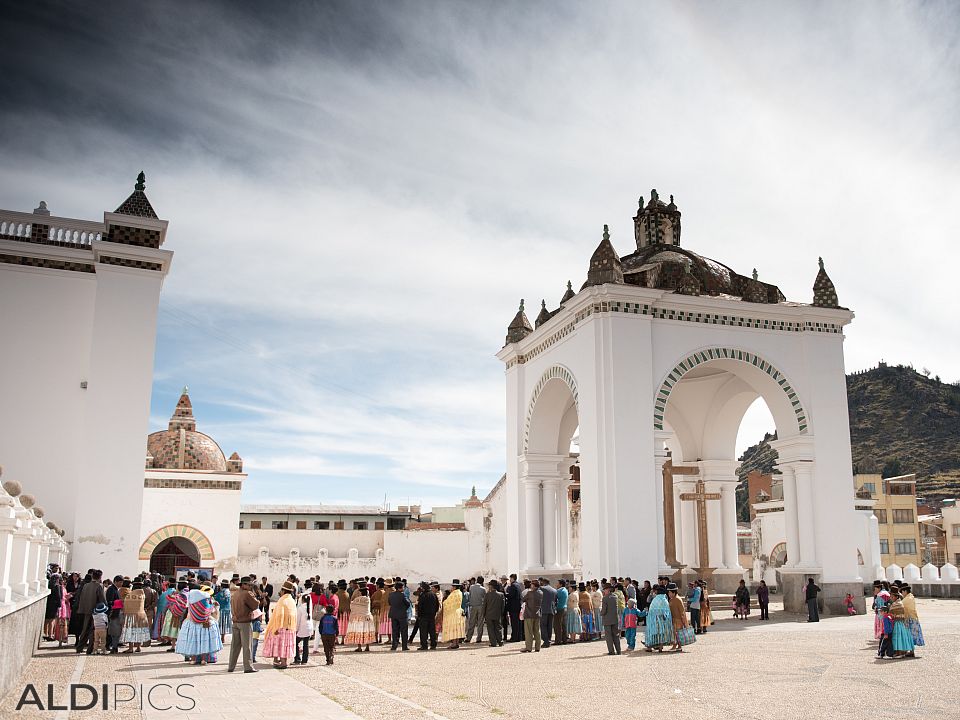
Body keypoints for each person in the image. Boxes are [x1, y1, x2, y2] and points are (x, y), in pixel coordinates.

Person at [177, 588, 223, 665]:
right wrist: (216, 608)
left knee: (193, 642)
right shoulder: (206, 602)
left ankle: (193, 659)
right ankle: (204, 660)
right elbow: (212, 611)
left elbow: (189, 614)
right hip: (205, 624)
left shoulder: (191, 604)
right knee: (204, 642)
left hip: (192, 624)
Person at [262, 580, 298, 668]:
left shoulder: (282, 600)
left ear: (283, 590)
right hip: (290, 626)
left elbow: (280, 614)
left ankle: (283, 663)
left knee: (281, 645)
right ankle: (281, 661)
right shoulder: (292, 600)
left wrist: (277, 627)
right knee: (286, 645)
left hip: (281, 626)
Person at [228, 577, 259, 673]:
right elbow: (256, 605)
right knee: (247, 646)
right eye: (249, 585)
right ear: (243, 585)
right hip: (245, 622)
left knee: (235, 646)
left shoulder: (235, 593)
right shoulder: (247, 594)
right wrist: (254, 595)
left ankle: (231, 666)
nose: (250, 587)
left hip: (235, 622)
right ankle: (248, 667)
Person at [75, 570, 106, 654]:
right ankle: (90, 649)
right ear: (100, 577)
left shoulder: (86, 585)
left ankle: (79, 647)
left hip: (86, 610)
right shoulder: (99, 586)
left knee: (85, 629)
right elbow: (102, 599)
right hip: (95, 611)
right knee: (93, 630)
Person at [120, 580, 151, 653]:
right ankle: (138, 647)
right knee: (139, 631)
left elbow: (125, 605)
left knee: (131, 631)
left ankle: (130, 648)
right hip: (141, 615)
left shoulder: (130, 595)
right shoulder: (142, 595)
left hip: (131, 615)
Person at [643, 585, 673, 652]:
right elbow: (667, 611)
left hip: (654, 619)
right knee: (661, 633)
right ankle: (660, 647)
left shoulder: (655, 600)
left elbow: (651, 610)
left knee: (653, 632)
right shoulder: (665, 600)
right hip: (662, 619)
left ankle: (649, 647)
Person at [346, 586, 375, 652]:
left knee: (358, 631)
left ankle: (359, 647)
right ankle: (367, 646)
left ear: (360, 593)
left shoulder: (357, 599)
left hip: (358, 618)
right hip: (367, 617)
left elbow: (352, 606)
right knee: (367, 631)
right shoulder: (368, 599)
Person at [888, 590, 914, 658]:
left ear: (896, 596)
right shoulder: (900, 602)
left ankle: (899, 653)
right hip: (902, 622)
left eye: (892, 597)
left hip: (897, 622)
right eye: (890, 596)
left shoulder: (895, 604)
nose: (891, 598)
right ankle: (902, 652)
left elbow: (891, 613)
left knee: (897, 638)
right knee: (902, 637)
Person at [443, 580, 467, 649]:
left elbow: (447, 603)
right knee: (457, 629)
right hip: (459, 612)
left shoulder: (453, 594)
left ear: (454, 587)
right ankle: (456, 643)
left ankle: (454, 643)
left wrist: (444, 602)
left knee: (453, 628)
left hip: (453, 613)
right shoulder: (460, 592)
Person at [416, 581, 440, 650]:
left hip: (423, 616)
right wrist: (434, 613)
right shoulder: (433, 594)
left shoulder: (422, 595)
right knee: (432, 631)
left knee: (423, 632)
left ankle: (424, 645)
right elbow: (437, 605)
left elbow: (420, 606)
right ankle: (433, 645)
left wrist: (419, 615)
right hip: (431, 616)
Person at [900, 585, 923, 656]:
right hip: (914, 618)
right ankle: (911, 651)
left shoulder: (906, 600)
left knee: (908, 635)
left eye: (902, 592)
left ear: (905, 591)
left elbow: (901, 606)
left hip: (909, 619)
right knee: (911, 635)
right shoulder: (911, 597)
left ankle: (908, 650)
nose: (902, 594)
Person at [388, 580, 411, 651]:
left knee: (395, 631)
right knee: (404, 631)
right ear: (400, 588)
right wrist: (403, 609)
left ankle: (394, 646)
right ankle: (404, 646)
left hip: (393, 614)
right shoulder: (402, 595)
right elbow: (408, 604)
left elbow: (389, 603)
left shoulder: (391, 594)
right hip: (402, 615)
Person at [521, 579, 543, 653]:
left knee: (528, 632)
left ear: (533, 585)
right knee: (537, 631)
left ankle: (529, 647)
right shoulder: (541, 593)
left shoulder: (530, 593)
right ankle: (537, 647)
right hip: (537, 614)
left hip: (529, 614)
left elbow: (523, 599)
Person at [481, 579, 505, 647]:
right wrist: (501, 613)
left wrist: (483, 614)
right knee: (498, 628)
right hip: (497, 614)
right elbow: (503, 606)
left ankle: (493, 643)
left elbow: (484, 606)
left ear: (491, 586)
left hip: (489, 615)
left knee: (490, 629)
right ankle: (500, 641)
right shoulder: (501, 595)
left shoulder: (487, 595)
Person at [465, 575, 486, 644]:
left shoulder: (471, 587)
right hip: (480, 606)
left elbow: (470, 596)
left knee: (471, 622)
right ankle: (478, 638)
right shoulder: (483, 589)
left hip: (473, 606)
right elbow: (484, 598)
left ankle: (468, 637)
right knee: (480, 623)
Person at [600, 584, 621, 655]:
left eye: (605, 590)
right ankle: (618, 651)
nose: (604, 591)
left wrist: (601, 613)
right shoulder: (615, 597)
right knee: (616, 635)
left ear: (608, 590)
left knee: (608, 636)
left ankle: (611, 651)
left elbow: (604, 610)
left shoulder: (605, 598)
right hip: (615, 619)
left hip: (607, 620)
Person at [667, 584, 688, 653]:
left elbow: (682, 611)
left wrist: (684, 621)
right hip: (673, 619)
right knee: (676, 633)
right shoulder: (672, 599)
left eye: (669, 592)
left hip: (678, 619)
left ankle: (675, 646)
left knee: (677, 633)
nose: (668, 594)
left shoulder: (678, 599)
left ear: (673, 592)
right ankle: (678, 646)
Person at [293, 594, 314, 665]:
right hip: (308, 628)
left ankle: (297, 658)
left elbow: (298, 620)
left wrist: (296, 629)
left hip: (302, 628)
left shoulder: (300, 608)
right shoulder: (310, 607)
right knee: (306, 644)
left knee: (296, 643)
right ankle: (304, 660)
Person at [539, 578, 556, 647]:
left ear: (543, 582)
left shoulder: (542, 588)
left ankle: (546, 641)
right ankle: (548, 640)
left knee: (543, 626)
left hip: (544, 609)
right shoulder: (554, 590)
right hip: (552, 610)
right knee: (549, 626)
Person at [506, 574, 523, 642]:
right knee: (517, 623)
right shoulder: (518, 585)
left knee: (514, 623)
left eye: (510, 578)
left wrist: (505, 594)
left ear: (512, 578)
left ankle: (514, 637)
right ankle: (518, 637)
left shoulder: (513, 585)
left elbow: (511, 595)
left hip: (513, 607)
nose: (510, 580)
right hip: (517, 606)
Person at [554, 579, 569, 645]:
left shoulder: (559, 591)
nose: (556, 585)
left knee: (557, 625)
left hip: (559, 609)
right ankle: (564, 639)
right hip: (565, 608)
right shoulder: (565, 590)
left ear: (561, 584)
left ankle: (558, 640)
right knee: (563, 625)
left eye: (557, 583)